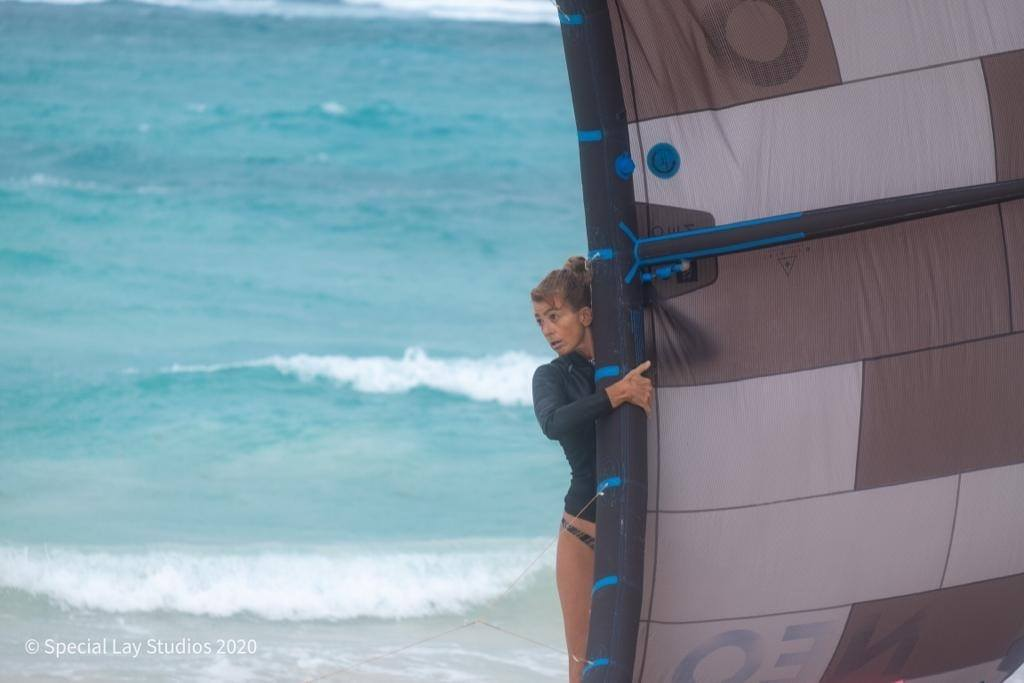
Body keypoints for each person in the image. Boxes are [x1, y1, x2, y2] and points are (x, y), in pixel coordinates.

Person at [530, 255, 652, 683]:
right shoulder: (551, 377)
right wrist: (614, 396)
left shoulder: (629, 361)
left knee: (648, 645)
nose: (546, 330)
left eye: (554, 316)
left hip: (643, 522)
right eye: (540, 321)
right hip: (583, 530)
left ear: (584, 314)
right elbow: (553, 423)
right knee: (582, 659)